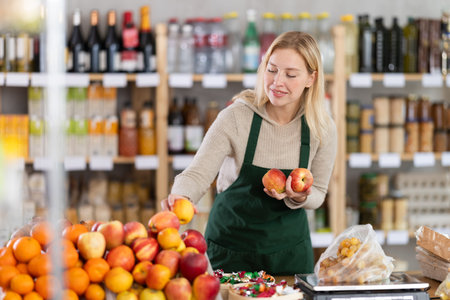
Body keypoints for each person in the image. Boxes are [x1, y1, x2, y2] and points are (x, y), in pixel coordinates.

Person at [162, 31, 337, 275]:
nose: (277, 82)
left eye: (291, 74)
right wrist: (179, 197)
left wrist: (298, 197)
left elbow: (318, 193)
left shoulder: (321, 128)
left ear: (311, 78)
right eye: (272, 69)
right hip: (229, 250)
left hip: (289, 255)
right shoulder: (236, 117)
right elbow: (198, 174)